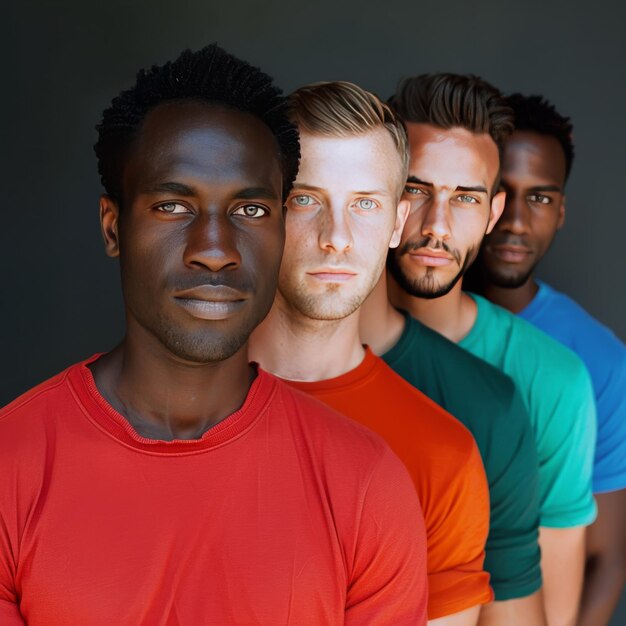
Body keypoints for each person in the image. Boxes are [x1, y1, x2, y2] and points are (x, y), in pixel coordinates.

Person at [0, 45, 430, 625]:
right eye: (175, 206)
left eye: (250, 212)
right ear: (113, 226)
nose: (215, 251)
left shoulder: (366, 484)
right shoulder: (12, 466)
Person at [250, 81, 492, 625]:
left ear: (397, 224)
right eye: (305, 198)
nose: (336, 236)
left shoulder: (442, 457)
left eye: (365, 203)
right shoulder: (163, 407)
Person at [385, 73, 597, 626]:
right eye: (415, 189)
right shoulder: (300, 355)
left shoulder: (552, 382)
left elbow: (548, 609)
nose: (437, 226)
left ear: (493, 213)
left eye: (465, 198)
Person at [470, 93, 626, 626]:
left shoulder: (597, 360)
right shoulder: (401, 324)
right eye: (500, 193)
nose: (514, 220)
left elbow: (606, 557)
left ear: (561, 212)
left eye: (539, 198)